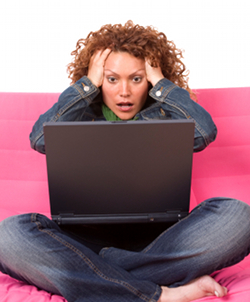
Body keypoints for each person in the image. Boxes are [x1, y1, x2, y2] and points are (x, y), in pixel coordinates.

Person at [0, 20, 250, 302]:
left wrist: (163, 83)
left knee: (239, 216)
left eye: (137, 78)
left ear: (151, 81)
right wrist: (87, 86)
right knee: (7, 235)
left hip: (161, 242)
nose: (124, 92)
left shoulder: (165, 119)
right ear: (97, 80)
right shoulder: (79, 117)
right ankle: (160, 293)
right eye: (111, 79)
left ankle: (95, 277)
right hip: (82, 242)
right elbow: (39, 139)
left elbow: (204, 131)